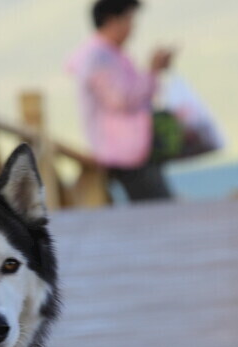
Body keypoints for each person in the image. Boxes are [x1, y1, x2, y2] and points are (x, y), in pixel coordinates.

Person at [67, 0, 175, 202]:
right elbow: (122, 99)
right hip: (123, 153)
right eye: (129, 19)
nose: (133, 26)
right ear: (112, 20)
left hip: (128, 151)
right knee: (160, 212)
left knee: (158, 210)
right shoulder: (98, 56)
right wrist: (153, 70)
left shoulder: (108, 54)